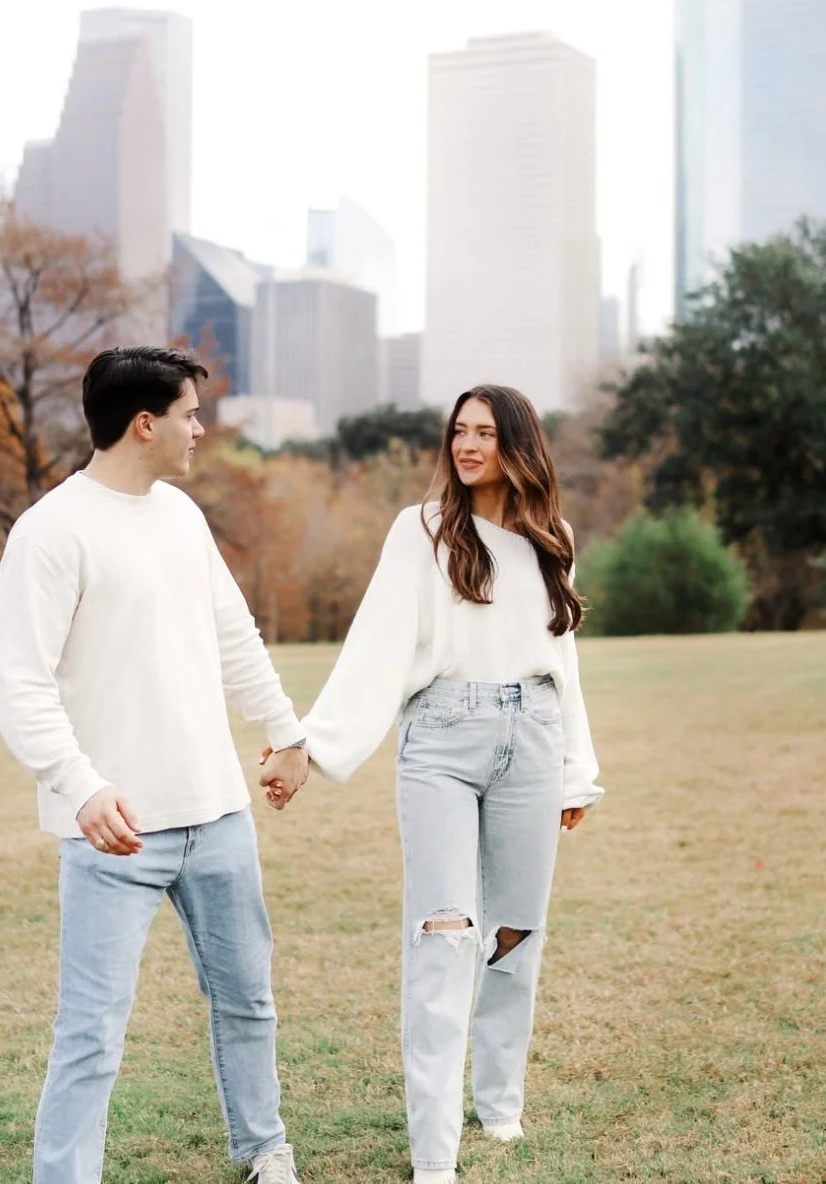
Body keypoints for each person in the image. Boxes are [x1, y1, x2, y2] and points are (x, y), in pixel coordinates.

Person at [262, 384, 605, 1184]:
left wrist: (576, 774)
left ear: (519, 443)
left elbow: (563, 661)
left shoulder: (553, 536)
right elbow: (375, 646)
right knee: (444, 940)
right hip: (442, 742)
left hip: (535, 738)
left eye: (485, 432)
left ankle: (501, 1104)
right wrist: (309, 747)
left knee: (516, 934)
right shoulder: (421, 531)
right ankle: (434, 1155)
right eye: (459, 431)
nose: (467, 445)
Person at [0, 345, 307, 1184]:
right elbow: (18, 687)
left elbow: (236, 638)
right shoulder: (50, 532)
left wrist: (286, 732)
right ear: (145, 423)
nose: (199, 429)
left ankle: (264, 1150)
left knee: (248, 1004)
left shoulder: (181, 518)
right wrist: (81, 787)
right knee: (90, 1033)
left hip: (218, 815)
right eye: (189, 415)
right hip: (114, 833)